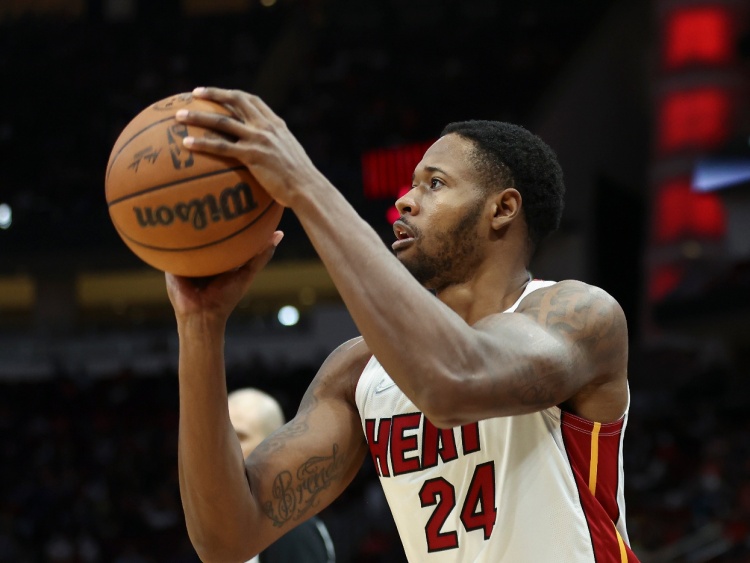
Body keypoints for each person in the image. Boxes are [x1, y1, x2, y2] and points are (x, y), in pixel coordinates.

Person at [166, 86, 639, 562]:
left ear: (502, 209)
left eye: (435, 183)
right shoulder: (358, 370)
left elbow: (454, 382)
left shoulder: (578, 314)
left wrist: (306, 187)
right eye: (412, 185)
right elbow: (226, 538)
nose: (407, 201)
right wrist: (199, 325)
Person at [226, 388, 336, 563]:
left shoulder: (292, 531)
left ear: (273, 446)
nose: (225, 446)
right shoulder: (224, 523)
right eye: (222, 436)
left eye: (240, 437)